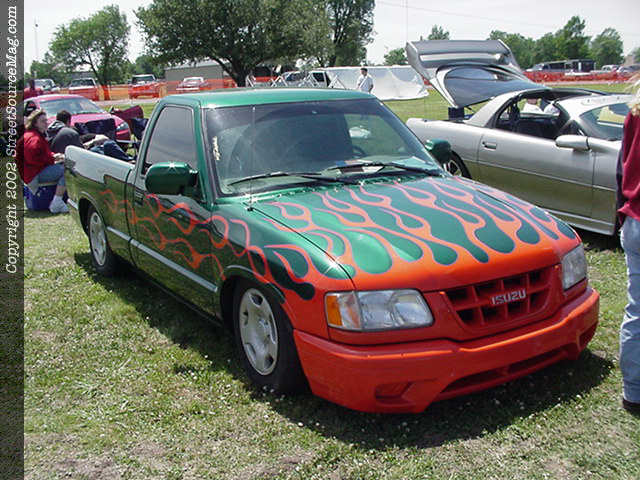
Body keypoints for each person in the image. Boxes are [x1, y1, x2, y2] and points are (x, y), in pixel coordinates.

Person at [617, 76, 640, 415]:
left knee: (637, 310)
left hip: (634, 219)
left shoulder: (634, 112)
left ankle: (633, 392)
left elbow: (622, 169)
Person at [16, 109, 68, 213]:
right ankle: (57, 202)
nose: (46, 123)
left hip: (30, 172)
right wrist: (52, 159)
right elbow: (32, 157)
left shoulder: (32, 134)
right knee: (67, 171)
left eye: (46, 120)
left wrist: (53, 156)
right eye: (43, 121)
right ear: (35, 123)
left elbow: (41, 154)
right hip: (33, 174)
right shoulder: (34, 138)